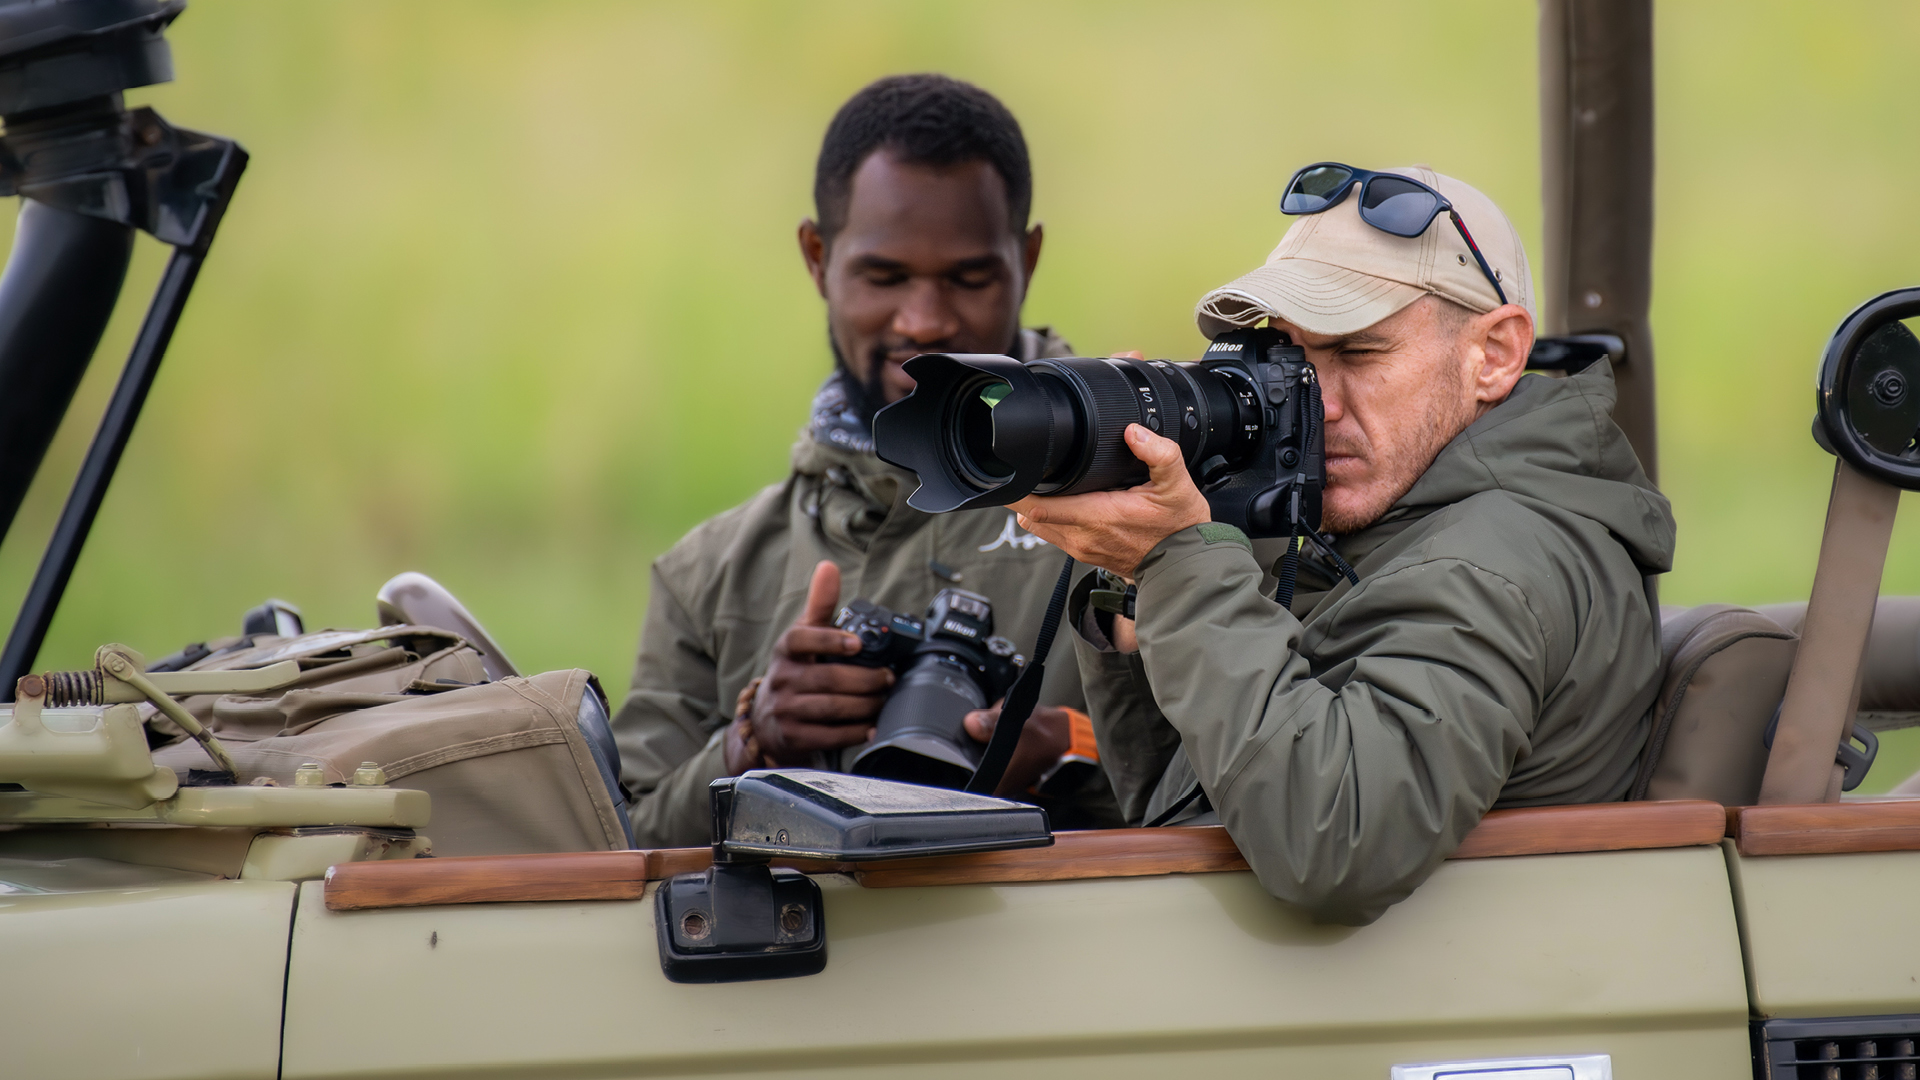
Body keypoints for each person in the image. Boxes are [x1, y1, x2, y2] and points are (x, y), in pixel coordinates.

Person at [1007, 163, 1676, 925]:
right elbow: (1191, 804)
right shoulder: (1379, 522)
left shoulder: (1492, 561)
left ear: (1493, 354)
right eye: (1289, 355)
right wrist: (1139, 585)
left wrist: (1183, 567)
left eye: (1359, 354)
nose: (1312, 403)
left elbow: (1335, 841)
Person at [612, 74, 1120, 848]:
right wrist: (753, 742)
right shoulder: (709, 574)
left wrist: (1076, 753)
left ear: (1027, 257)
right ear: (818, 257)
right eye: (883, 278)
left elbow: (1252, 794)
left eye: (970, 277)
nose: (925, 320)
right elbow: (622, 852)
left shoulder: (1146, 507)